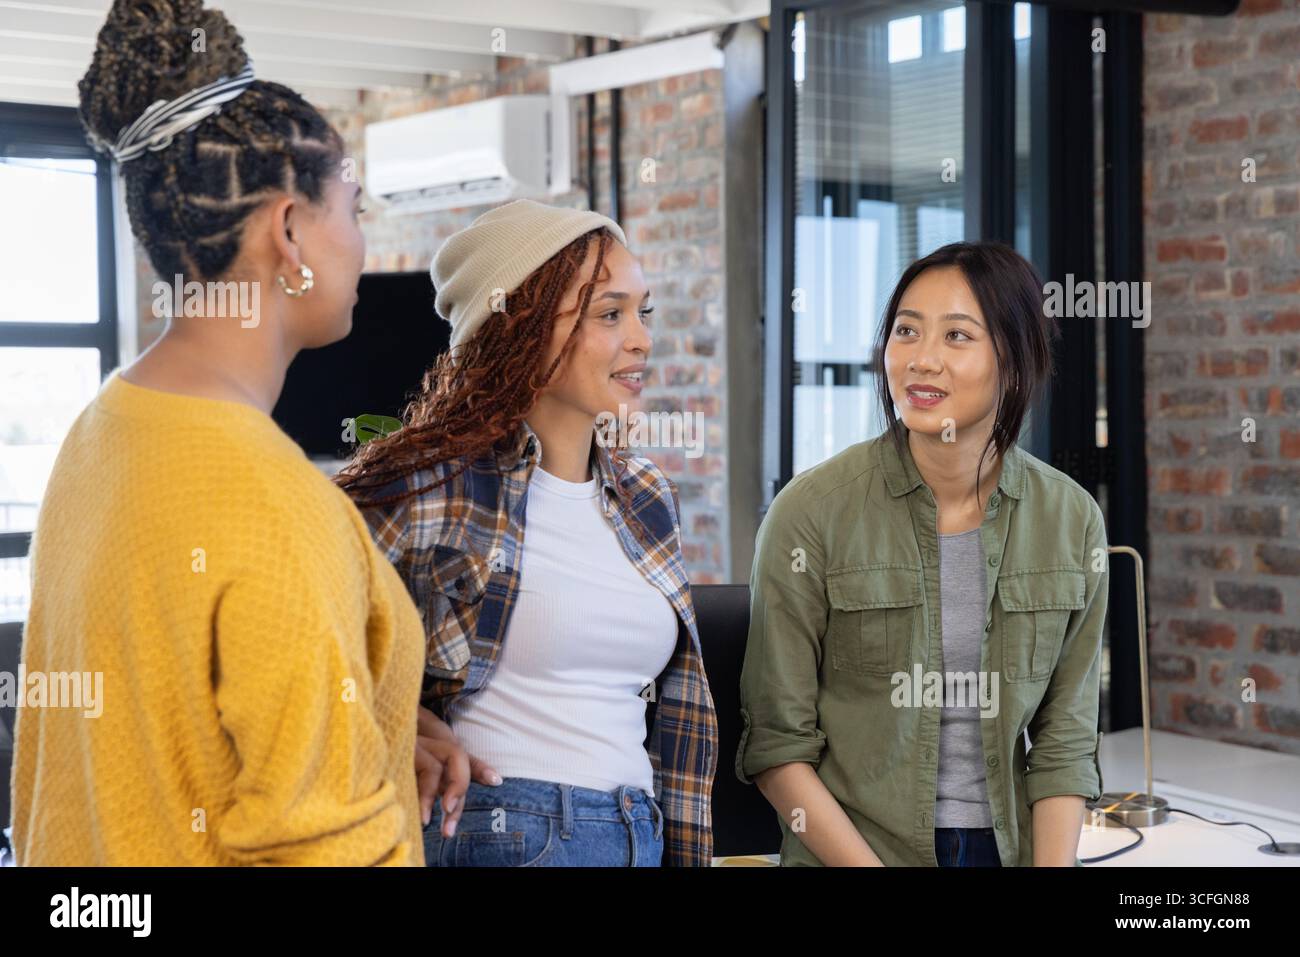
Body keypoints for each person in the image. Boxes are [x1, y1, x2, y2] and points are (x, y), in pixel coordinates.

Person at [11, 0, 425, 865]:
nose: (362, 239)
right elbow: (320, 850)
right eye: (351, 208)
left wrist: (378, 723)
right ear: (288, 232)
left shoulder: (103, 430)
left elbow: (161, 711)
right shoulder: (275, 505)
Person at [337, 200, 718, 867]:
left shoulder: (645, 495)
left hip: (638, 829)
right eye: (609, 313)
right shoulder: (427, 484)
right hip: (508, 831)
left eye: (642, 311)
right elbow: (303, 657)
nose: (641, 339)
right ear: (522, 331)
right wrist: (396, 724)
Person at [738, 241, 1108, 866]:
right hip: (853, 852)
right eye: (906, 332)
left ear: (1013, 363)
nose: (922, 360)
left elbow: (1064, 742)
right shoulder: (811, 512)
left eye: (958, 336)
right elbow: (777, 746)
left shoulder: (1070, 520)